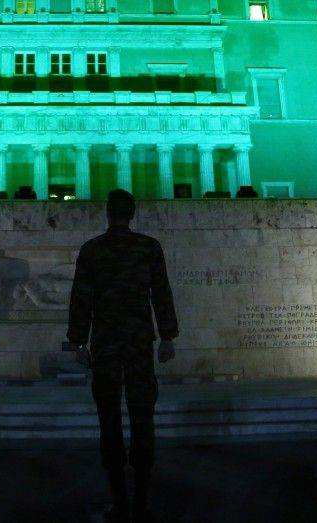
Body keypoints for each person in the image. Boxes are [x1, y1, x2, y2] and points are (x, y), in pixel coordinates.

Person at [67, 189, 179, 522]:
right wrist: (167, 337)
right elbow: (161, 294)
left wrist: (78, 343)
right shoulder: (148, 248)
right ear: (132, 214)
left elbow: (81, 299)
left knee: (110, 420)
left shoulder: (93, 250)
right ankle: (141, 503)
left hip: (106, 345)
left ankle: (120, 503)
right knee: (143, 418)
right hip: (139, 345)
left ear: (108, 214)